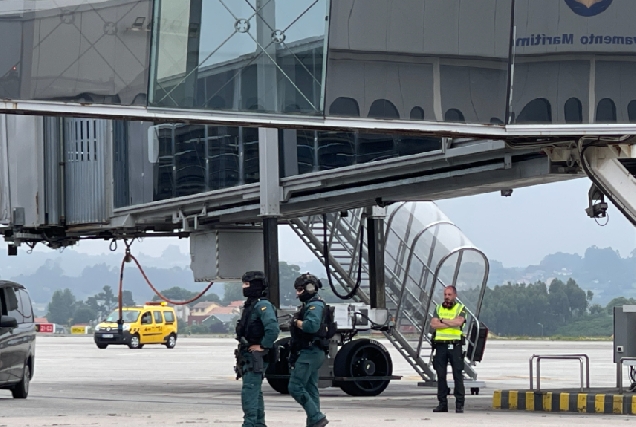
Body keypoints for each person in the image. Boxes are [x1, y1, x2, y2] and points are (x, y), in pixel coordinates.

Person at [235, 271, 280, 427]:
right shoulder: (251, 305)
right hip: (248, 354)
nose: (243, 287)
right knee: (255, 391)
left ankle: (250, 423)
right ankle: (259, 423)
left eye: (246, 284)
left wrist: (263, 346)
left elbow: (273, 329)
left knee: (250, 391)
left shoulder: (262, 305)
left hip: (257, 356)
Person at [288, 273, 329, 427]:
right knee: (311, 388)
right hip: (312, 351)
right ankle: (314, 423)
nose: (297, 293)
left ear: (309, 288)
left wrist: (296, 322)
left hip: (310, 352)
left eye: (300, 289)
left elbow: (311, 326)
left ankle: (317, 417)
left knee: (295, 386)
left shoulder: (315, 305)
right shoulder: (311, 304)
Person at [430, 285, 466, 413]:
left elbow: (458, 322)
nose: (447, 297)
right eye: (445, 294)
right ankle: (442, 403)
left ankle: (459, 404)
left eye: (449, 295)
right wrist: (449, 322)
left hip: (455, 345)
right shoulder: (438, 308)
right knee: (440, 375)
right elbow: (433, 324)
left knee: (457, 374)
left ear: (455, 295)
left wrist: (442, 321)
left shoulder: (460, 308)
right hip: (440, 346)